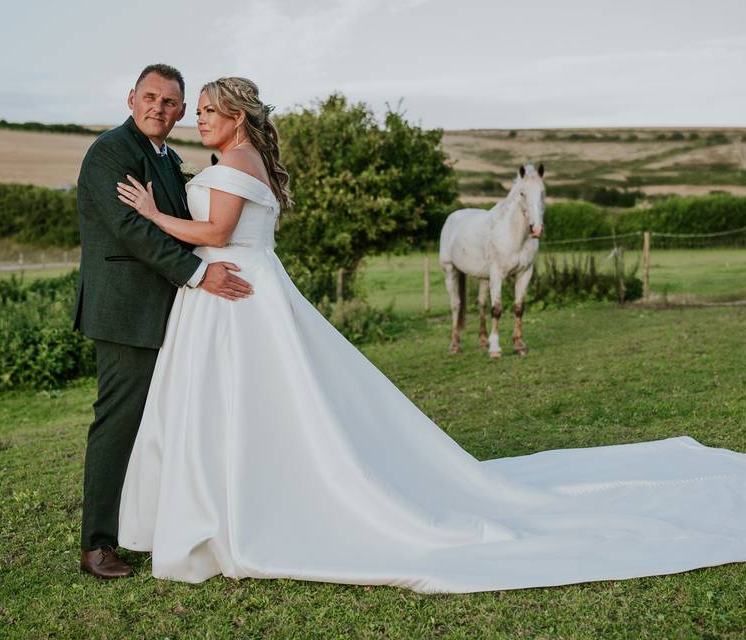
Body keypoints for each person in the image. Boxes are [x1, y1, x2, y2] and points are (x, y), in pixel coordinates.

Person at [114, 77, 746, 593]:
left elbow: (218, 233)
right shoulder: (235, 160)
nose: (197, 119)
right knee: (250, 402)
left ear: (237, 116)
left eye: (206, 111)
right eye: (193, 110)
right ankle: (227, 503)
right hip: (230, 290)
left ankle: (241, 509)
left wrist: (152, 214)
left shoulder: (238, 161)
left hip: (237, 288)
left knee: (252, 399)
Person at [72, 64, 254, 580]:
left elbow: (185, 225)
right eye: (150, 97)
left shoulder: (169, 159)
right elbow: (132, 230)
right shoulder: (110, 152)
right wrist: (200, 275)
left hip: (173, 312)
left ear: (179, 112)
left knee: (165, 425)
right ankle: (97, 545)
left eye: (171, 102)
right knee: (119, 422)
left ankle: (152, 526)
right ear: (131, 99)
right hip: (126, 311)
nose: (160, 108)